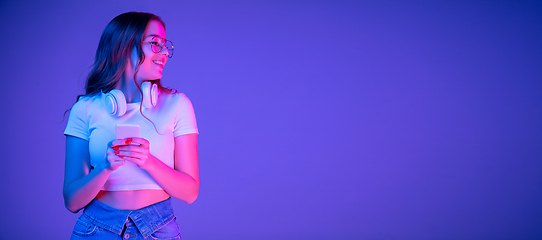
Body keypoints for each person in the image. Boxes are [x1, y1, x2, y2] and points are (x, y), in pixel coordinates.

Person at [63, 12, 199, 239]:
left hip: (158, 230)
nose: (164, 52)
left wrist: (149, 162)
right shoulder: (85, 109)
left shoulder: (178, 104)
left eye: (166, 46)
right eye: (155, 43)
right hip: (96, 229)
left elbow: (190, 192)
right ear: (125, 46)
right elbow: (72, 201)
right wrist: (105, 167)